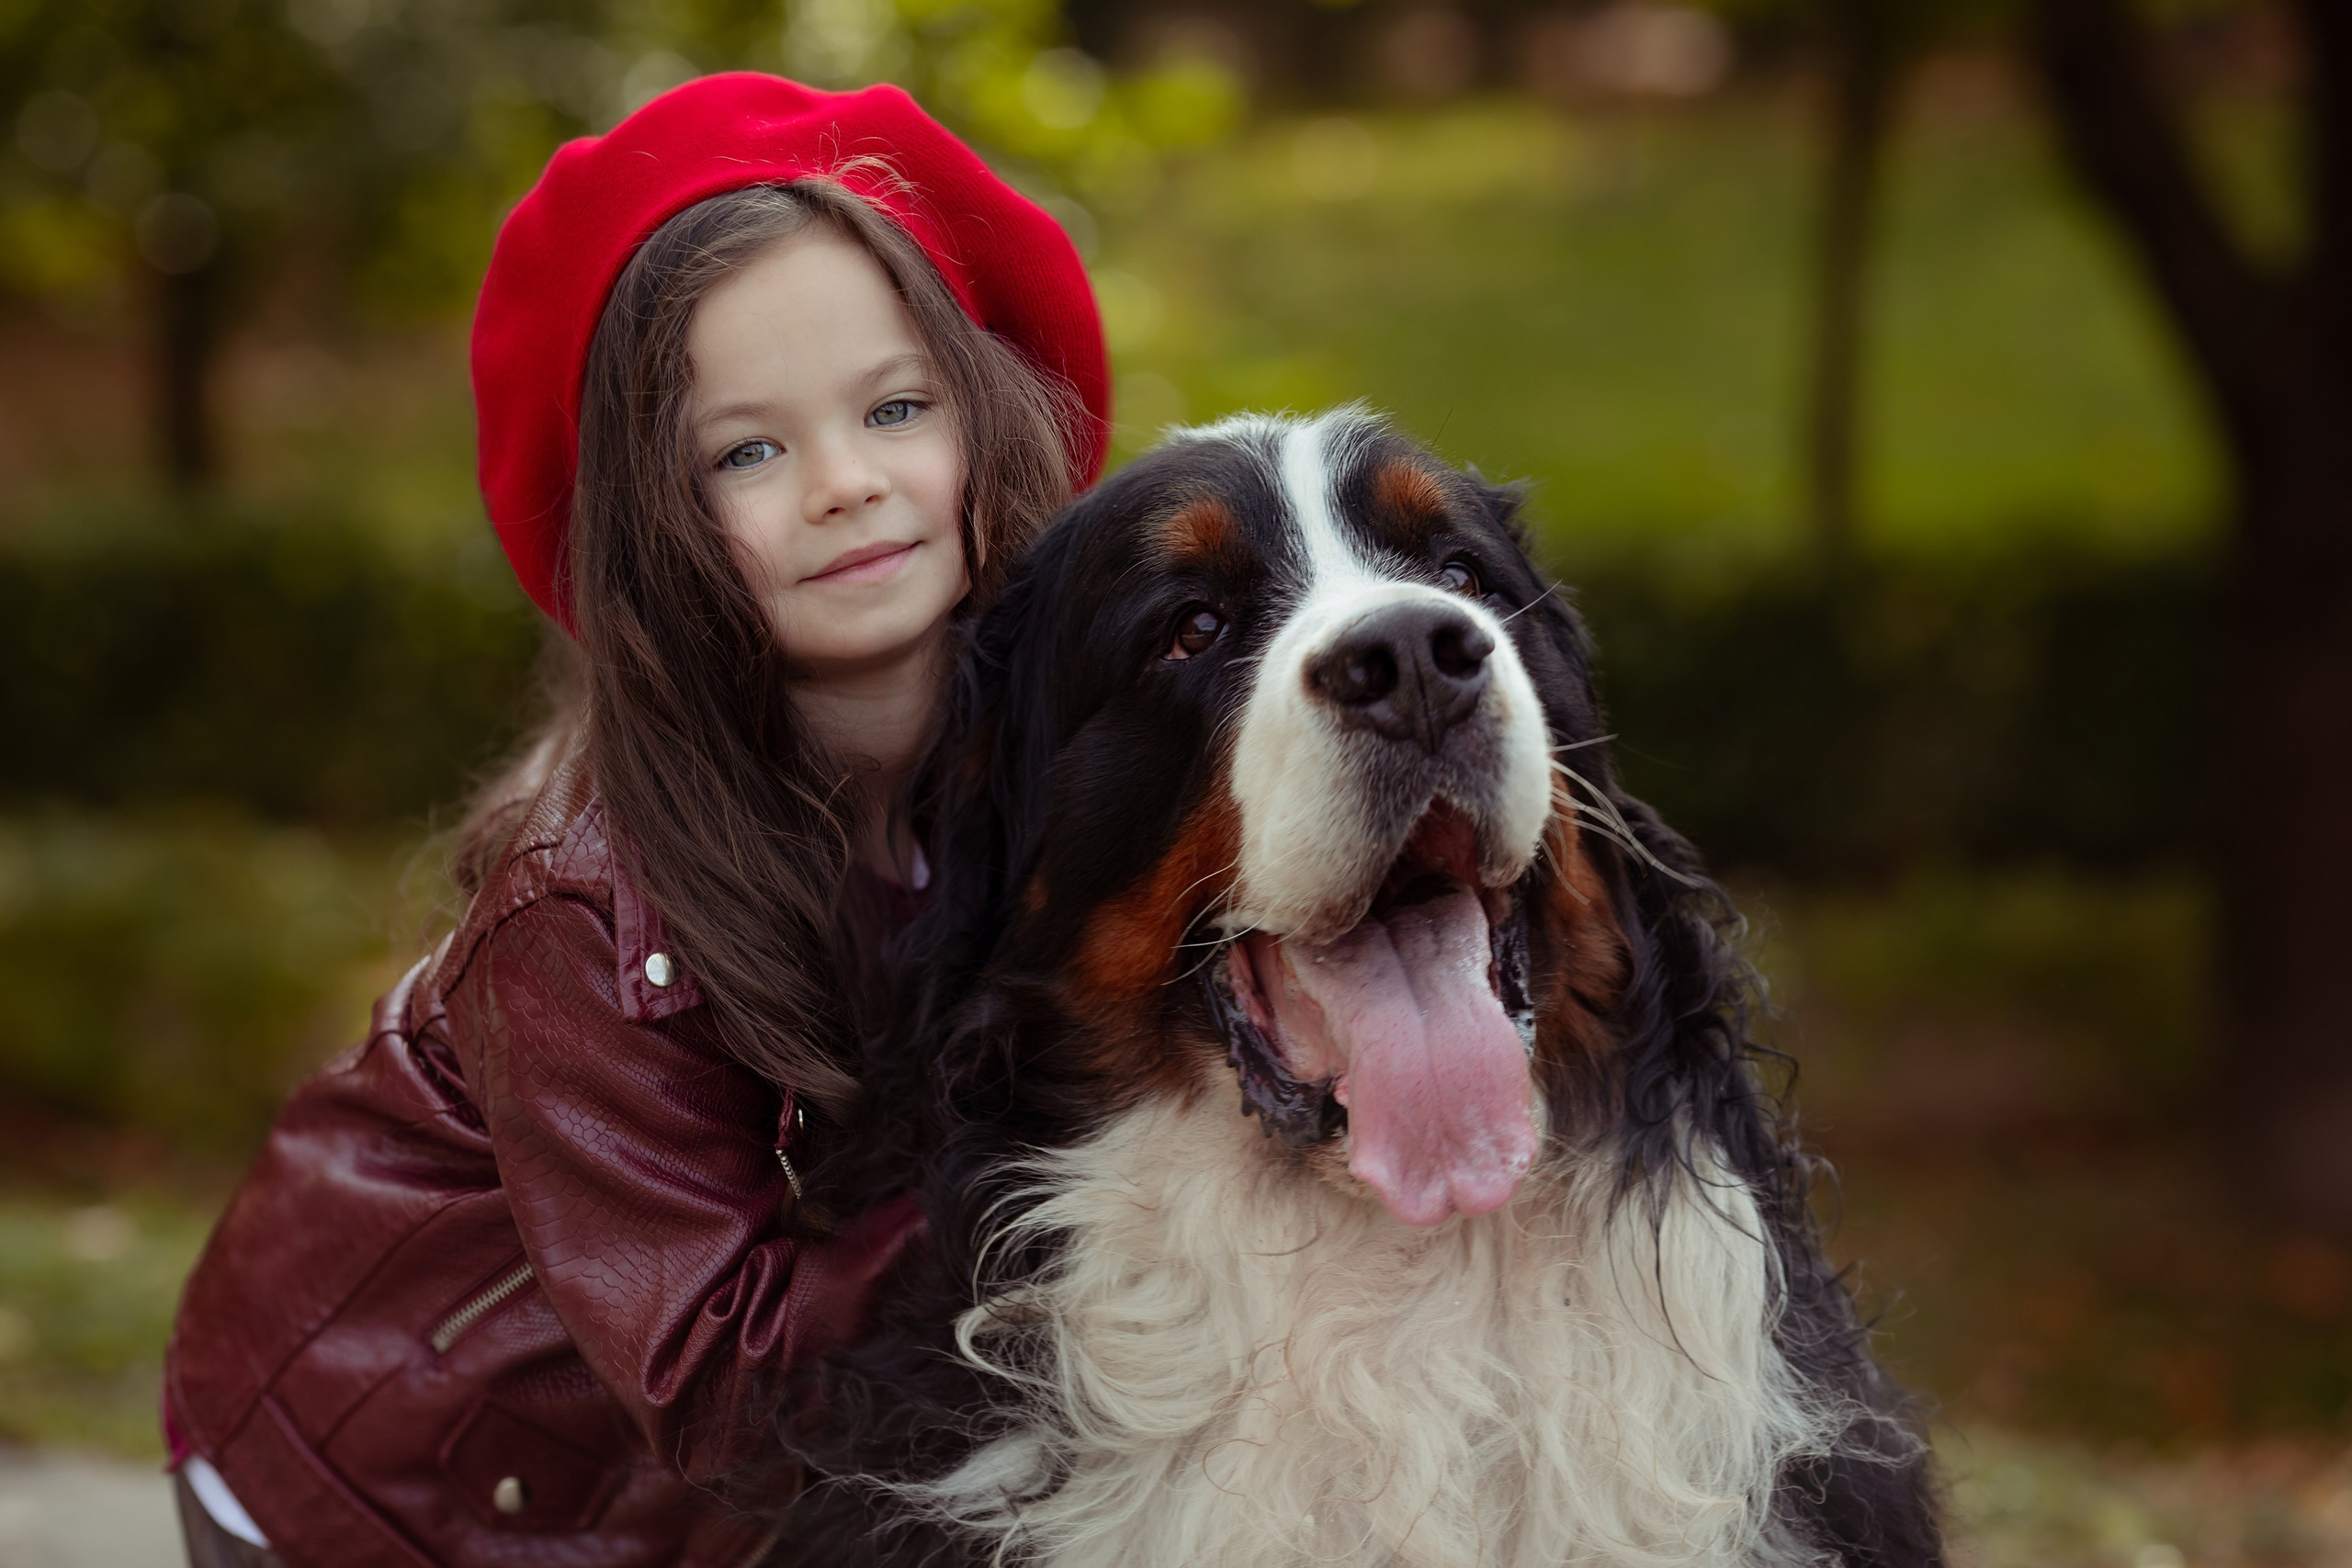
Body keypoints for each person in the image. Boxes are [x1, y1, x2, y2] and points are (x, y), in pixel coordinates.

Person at [163, 73, 1109, 1568]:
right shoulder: (586, 920)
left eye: (896, 407)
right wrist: (1097, 1183)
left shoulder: (1037, 780)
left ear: (989, 418)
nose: (847, 484)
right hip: (391, 1474)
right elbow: (729, 1389)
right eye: (747, 451)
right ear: (651, 530)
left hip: (679, 1490)